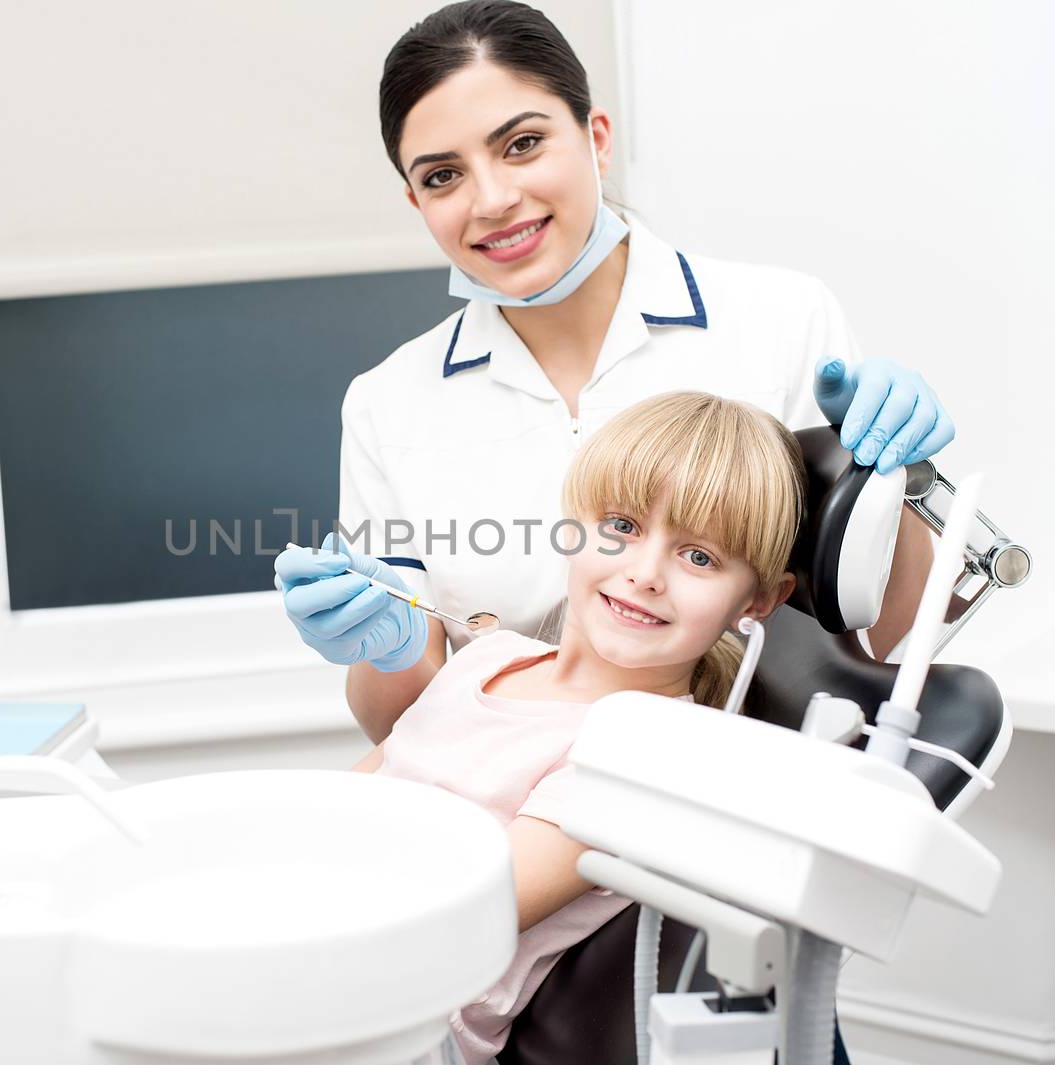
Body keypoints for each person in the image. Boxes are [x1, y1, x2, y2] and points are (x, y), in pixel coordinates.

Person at [280, 0, 952, 752]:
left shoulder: (780, 319)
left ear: (596, 138)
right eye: (443, 176)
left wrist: (900, 477)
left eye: (523, 144)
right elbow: (398, 727)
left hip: (740, 801)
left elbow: (889, 641)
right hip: (501, 810)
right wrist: (392, 650)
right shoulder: (389, 405)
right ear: (417, 201)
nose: (493, 199)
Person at [292, 391, 804, 1064]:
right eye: (620, 524)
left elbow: (458, 914)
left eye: (699, 557)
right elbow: (324, 814)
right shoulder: (491, 657)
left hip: (395, 1026)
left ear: (759, 601)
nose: (643, 573)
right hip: (317, 952)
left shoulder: (643, 751)